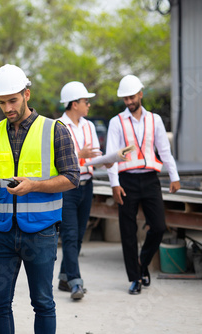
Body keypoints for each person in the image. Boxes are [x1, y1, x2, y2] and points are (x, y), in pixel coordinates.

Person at [0, 64, 79, 333]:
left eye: (12, 100)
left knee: (43, 302)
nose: (7, 108)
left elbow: (72, 177)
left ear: (27, 94)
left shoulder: (55, 130)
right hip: (2, 231)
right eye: (2, 102)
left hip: (41, 230)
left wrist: (34, 185)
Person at [106, 74, 181, 295]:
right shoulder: (116, 122)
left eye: (131, 97)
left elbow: (164, 150)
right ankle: (135, 278)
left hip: (150, 179)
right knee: (127, 231)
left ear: (140, 94)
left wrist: (174, 176)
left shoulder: (154, 120)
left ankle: (142, 262)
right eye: (125, 99)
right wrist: (114, 184)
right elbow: (112, 156)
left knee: (158, 227)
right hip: (126, 180)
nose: (129, 102)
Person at [57, 81, 104, 300]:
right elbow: (55, 159)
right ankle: (76, 283)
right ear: (74, 104)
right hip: (67, 188)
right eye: (86, 101)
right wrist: (79, 153)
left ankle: (65, 277)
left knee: (78, 237)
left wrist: (108, 160)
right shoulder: (57, 126)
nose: (89, 105)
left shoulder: (89, 126)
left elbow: (94, 154)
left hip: (87, 185)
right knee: (70, 235)